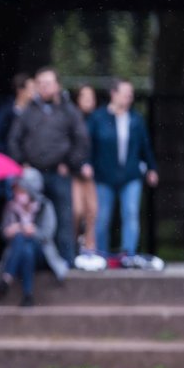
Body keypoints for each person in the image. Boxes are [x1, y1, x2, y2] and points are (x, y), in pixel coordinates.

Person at [8, 66, 91, 265]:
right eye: (40, 84)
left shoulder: (69, 111)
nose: (44, 88)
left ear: (57, 85)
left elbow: (81, 140)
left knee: (64, 218)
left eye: (48, 83)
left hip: (59, 173)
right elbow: (14, 139)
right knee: (32, 220)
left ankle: (67, 261)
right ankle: (37, 263)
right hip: (33, 176)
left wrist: (70, 164)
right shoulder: (28, 111)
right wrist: (23, 164)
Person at [88, 79, 160, 257]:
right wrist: (87, 164)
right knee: (102, 218)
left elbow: (145, 146)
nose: (130, 97)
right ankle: (101, 255)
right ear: (114, 93)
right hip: (104, 176)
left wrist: (152, 168)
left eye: (131, 94)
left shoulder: (136, 119)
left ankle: (128, 254)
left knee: (130, 214)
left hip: (130, 175)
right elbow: (89, 145)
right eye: (126, 93)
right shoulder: (98, 118)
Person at [0, 169, 68, 307]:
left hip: (42, 252)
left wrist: (34, 231)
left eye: (22, 191)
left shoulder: (45, 206)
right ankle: (27, 295)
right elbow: (3, 232)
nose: (18, 195)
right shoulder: (11, 207)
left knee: (25, 240)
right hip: (21, 253)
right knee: (25, 247)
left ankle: (7, 277)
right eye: (17, 191)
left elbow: (47, 234)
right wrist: (11, 230)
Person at [0, 73, 34, 202]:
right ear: (20, 90)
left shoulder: (35, 112)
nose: (34, 92)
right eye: (31, 88)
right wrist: (10, 155)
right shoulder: (6, 112)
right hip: (11, 166)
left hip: (30, 166)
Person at [72, 84, 100, 261]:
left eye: (92, 98)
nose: (89, 101)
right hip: (75, 172)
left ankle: (90, 249)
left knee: (92, 211)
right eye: (85, 97)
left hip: (92, 174)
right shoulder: (72, 119)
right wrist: (79, 164)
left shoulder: (98, 120)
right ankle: (73, 248)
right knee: (76, 210)